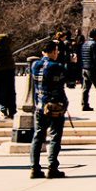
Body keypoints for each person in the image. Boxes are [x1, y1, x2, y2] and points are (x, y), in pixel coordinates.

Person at [30, 41, 69, 179]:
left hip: (40, 105)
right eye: (57, 51)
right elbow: (67, 80)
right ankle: (52, 167)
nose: (57, 53)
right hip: (54, 105)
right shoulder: (57, 66)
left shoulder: (35, 65)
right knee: (54, 136)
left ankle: (34, 167)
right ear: (53, 51)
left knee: (38, 136)